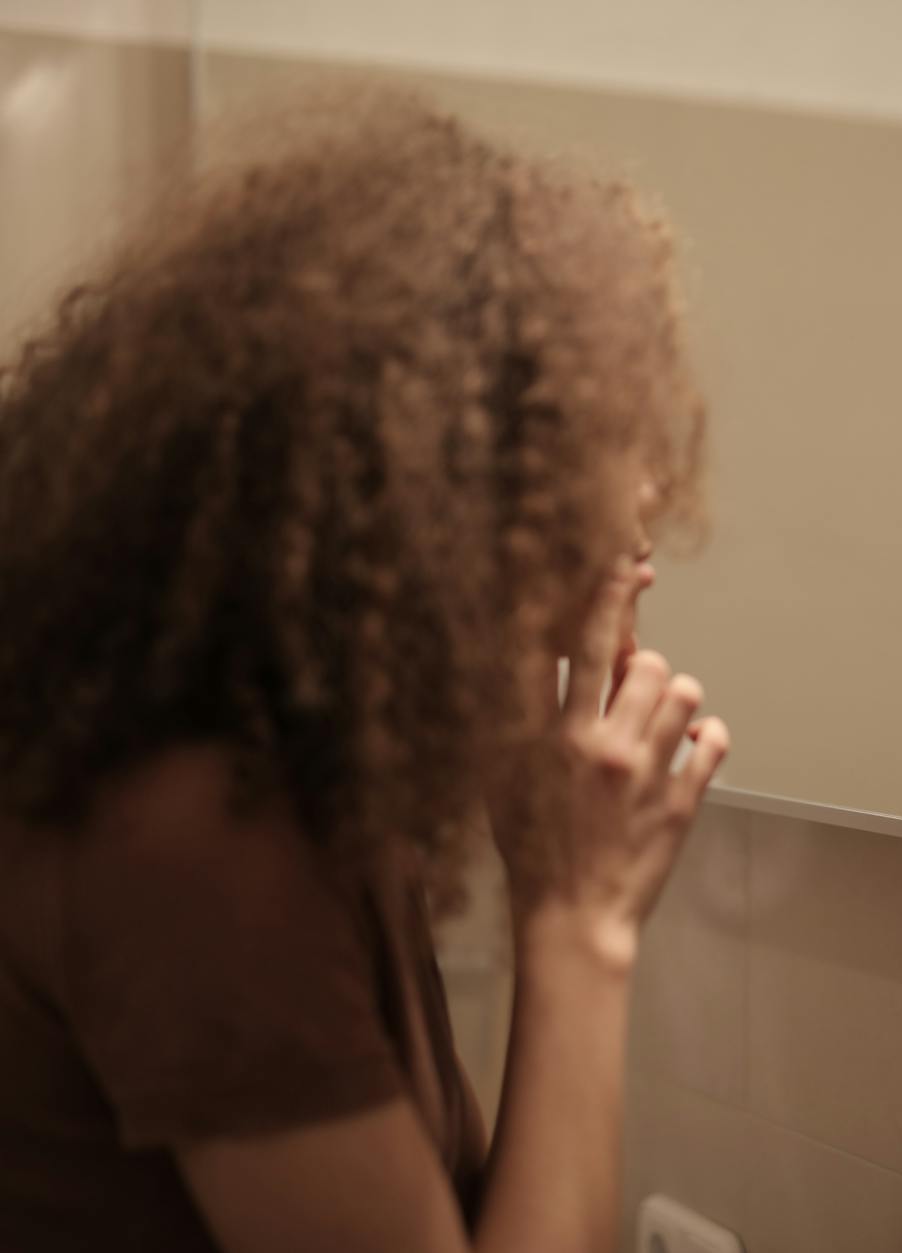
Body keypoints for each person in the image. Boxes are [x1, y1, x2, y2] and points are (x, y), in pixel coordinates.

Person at [0, 90, 729, 1251]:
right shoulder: (200, 832)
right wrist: (577, 921)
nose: (650, 505)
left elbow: (479, 1211)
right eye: (618, 431)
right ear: (452, 479)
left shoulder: (323, 797)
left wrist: (544, 864)